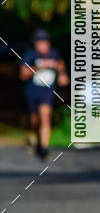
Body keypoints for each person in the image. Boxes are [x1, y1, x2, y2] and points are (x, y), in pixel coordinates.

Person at [20, 29, 69, 159]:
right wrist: (40, 67)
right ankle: (37, 138)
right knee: (35, 120)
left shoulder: (54, 54)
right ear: (36, 44)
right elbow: (23, 74)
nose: (43, 45)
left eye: (45, 42)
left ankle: (43, 147)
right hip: (33, 91)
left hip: (47, 91)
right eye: (40, 42)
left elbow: (60, 65)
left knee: (45, 116)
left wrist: (62, 75)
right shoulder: (31, 55)